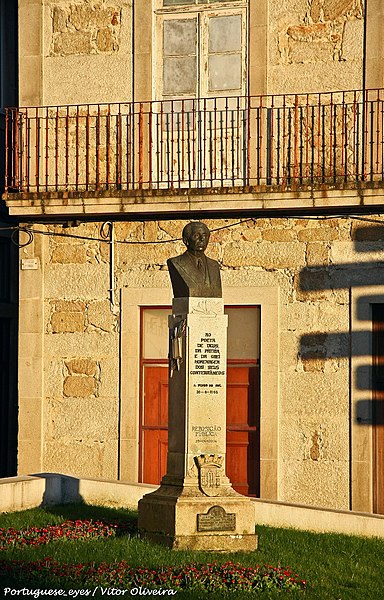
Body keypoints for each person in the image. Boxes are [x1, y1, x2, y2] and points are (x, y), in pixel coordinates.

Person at [167, 221, 222, 298]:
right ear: (186, 240)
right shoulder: (176, 263)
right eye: (196, 235)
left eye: (205, 235)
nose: (202, 239)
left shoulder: (214, 265)